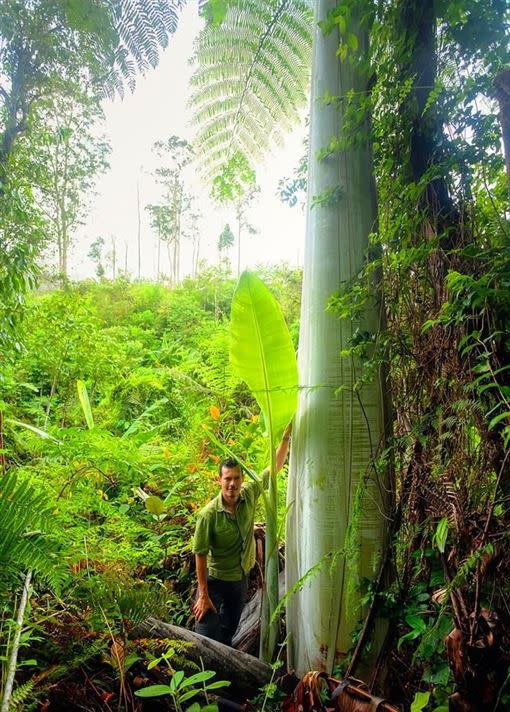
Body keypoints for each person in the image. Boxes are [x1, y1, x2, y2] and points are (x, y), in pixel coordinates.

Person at [192, 426, 292, 646]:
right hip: (215, 582)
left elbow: (273, 469)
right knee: (204, 639)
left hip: (240, 580)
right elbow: (199, 554)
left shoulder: (248, 494)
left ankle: (227, 671)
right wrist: (203, 595)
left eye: (236, 478)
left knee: (228, 631)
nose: (232, 484)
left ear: (242, 478)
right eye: (227, 478)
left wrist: (286, 435)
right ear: (219, 480)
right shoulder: (208, 515)